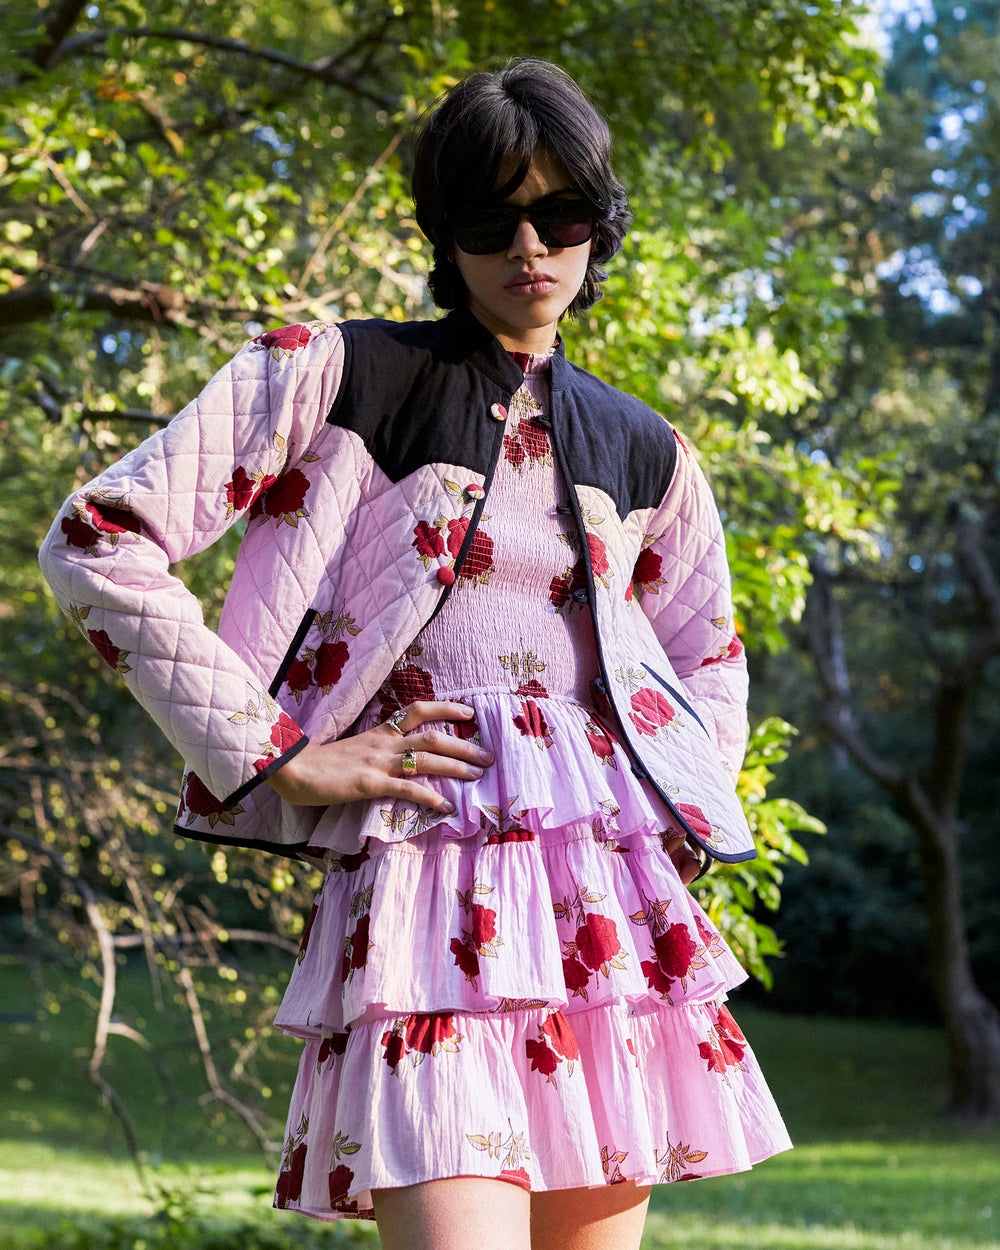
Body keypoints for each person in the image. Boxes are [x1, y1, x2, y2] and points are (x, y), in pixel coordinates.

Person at [40, 58, 790, 1250]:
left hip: (599, 911)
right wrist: (277, 752)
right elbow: (96, 540)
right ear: (445, 235)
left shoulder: (651, 451)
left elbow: (708, 659)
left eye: (562, 216)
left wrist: (676, 818)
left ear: (601, 228)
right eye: (492, 219)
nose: (529, 245)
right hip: (426, 897)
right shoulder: (339, 373)